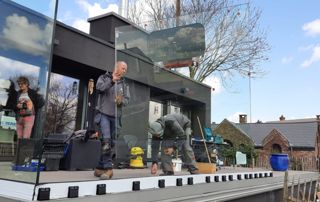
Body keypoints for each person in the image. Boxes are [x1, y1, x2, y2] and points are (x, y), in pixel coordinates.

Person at [94, 61, 130, 180]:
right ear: (116, 67)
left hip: (116, 117)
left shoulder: (124, 84)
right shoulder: (103, 77)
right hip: (104, 114)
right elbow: (99, 88)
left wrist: (122, 101)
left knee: (111, 143)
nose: (125, 70)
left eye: (126, 69)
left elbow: (127, 100)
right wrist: (112, 81)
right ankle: (109, 169)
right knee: (106, 141)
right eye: (123, 68)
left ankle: (100, 167)